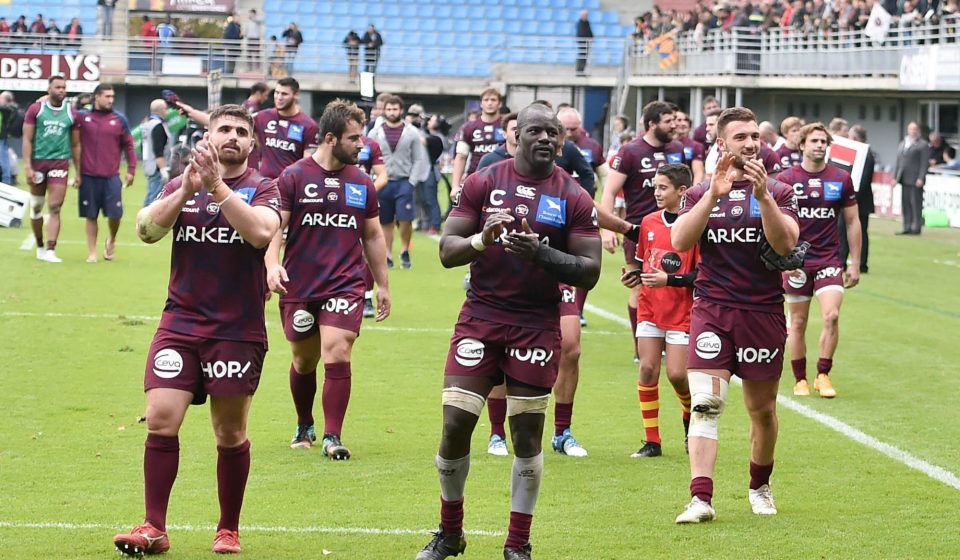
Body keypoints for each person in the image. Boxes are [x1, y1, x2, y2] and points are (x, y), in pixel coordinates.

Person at [415, 103, 601, 560]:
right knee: (456, 424)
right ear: (514, 134)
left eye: (552, 133)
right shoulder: (483, 181)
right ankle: (450, 532)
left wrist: (541, 255)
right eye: (534, 130)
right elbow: (447, 249)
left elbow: (590, 271)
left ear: (561, 141)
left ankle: (518, 543)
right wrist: (483, 240)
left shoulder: (574, 196)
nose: (544, 139)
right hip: (481, 315)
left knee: (525, 436)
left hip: (537, 324)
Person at [114, 104, 281, 557]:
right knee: (163, 418)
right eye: (222, 129)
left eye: (240, 131)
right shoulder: (181, 185)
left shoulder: (265, 188)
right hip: (180, 323)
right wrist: (187, 188)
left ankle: (228, 529)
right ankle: (154, 527)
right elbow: (146, 230)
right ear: (207, 138)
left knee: (228, 434)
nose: (231, 136)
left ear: (252, 143)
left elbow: (261, 234)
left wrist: (217, 187)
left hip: (236, 331)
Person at [671, 107, 799, 524]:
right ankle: (700, 498)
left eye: (754, 137)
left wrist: (762, 198)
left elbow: (785, 246)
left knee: (761, 410)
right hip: (712, 310)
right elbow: (679, 241)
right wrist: (712, 194)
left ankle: (759, 485)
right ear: (722, 144)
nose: (749, 144)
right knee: (706, 403)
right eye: (740, 137)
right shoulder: (699, 192)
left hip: (762, 312)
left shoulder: (778, 191)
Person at [266, 99, 391, 459]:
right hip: (300, 285)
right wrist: (273, 264)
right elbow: (275, 227)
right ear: (331, 138)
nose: (362, 145)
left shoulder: (362, 182)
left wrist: (382, 284)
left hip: (346, 284)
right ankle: (304, 424)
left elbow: (372, 236)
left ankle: (332, 436)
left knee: (337, 349)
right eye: (354, 138)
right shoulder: (293, 176)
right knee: (304, 361)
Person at [777, 122, 860, 399]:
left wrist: (855, 262)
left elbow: (852, 222)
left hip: (828, 260)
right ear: (802, 145)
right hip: (797, 262)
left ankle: (823, 374)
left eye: (823, 142)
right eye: (813, 141)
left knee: (832, 315)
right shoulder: (787, 179)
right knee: (797, 324)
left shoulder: (841, 178)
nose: (819, 146)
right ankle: (799, 378)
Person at [600, 101, 688, 361]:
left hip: (676, 229)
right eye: (668, 121)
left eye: (675, 120)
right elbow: (609, 191)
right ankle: (642, 348)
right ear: (652, 124)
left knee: (674, 285)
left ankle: (671, 340)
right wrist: (607, 230)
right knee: (641, 287)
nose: (674, 125)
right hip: (640, 231)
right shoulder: (630, 151)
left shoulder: (678, 150)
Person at [621, 164, 698, 458]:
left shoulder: (694, 225)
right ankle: (652, 441)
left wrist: (671, 280)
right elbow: (645, 266)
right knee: (648, 368)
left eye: (663, 187)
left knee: (678, 375)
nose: (656, 192)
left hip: (682, 313)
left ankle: (690, 418)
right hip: (650, 309)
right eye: (655, 186)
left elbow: (701, 275)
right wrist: (635, 277)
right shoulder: (649, 222)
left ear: (682, 191)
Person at [22, 75, 80, 263]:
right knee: (37, 208)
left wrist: (78, 171)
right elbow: (27, 139)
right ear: (49, 89)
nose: (61, 90)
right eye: (57, 87)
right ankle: (39, 245)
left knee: (55, 207)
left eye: (64, 87)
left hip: (59, 163)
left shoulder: (71, 112)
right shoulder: (36, 109)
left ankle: (50, 250)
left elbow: (76, 144)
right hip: (39, 162)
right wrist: (28, 167)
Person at [368, 94, 430, 270]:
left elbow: (418, 158)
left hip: (404, 181)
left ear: (401, 110)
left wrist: (412, 181)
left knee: (405, 219)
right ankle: (387, 253)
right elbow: (369, 156)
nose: (392, 112)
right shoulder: (375, 132)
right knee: (385, 220)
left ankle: (404, 249)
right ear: (384, 111)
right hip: (383, 181)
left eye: (395, 109)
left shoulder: (411, 132)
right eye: (389, 109)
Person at [77, 84, 136, 263]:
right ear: (97, 97)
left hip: (111, 176)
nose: (111, 100)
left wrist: (131, 169)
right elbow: (62, 114)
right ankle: (92, 252)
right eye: (107, 96)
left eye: (112, 97)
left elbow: (129, 145)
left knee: (115, 215)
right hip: (88, 176)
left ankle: (112, 238)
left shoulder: (120, 119)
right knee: (91, 215)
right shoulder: (82, 117)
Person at [451, 88, 504, 201]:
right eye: (486, 100)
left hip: (503, 179)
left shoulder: (507, 126)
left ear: (500, 104)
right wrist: (455, 186)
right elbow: (461, 157)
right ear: (481, 104)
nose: (489, 103)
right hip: (475, 178)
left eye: (493, 100)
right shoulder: (469, 127)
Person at [839, 124, 874, 273]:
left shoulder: (865, 154)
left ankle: (859, 263)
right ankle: (845, 261)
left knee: (856, 231)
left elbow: (863, 180)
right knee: (846, 230)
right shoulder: (861, 153)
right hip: (856, 199)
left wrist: (850, 198)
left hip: (859, 201)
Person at [894, 121, 930, 235]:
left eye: (914, 129)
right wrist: (895, 177)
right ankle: (907, 226)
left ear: (918, 130)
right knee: (905, 203)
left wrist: (921, 177)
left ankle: (916, 227)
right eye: (910, 129)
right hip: (904, 178)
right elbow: (898, 161)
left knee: (916, 203)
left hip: (915, 178)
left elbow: (924, 163)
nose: (912, 131)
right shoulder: (903, 143)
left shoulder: (923, 145)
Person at [141, 99, 172, 206]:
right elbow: (158, 149)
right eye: (166, 109)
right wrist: (163, 169)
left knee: (151, 195)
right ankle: (145, 221)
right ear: (162, 110)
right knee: (154, 198)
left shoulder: (146, 124)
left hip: (148, 164)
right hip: (157, 166)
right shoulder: (158, 125)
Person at [673, 111, 706, 184]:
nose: (683, 123)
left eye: (686, 120)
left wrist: (694, 193)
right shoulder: (665, 144)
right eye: (679, 120)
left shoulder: (696, 146)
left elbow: (698, 173)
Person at [575, 10, 594, 76]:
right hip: (582, 43)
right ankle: (579, 71)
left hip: (587, 43)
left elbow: (589, 32)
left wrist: (591, 38)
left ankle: (582, 71)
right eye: (585, 15)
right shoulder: (580, 23)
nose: (586, 16)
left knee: (585, 58)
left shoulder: (587, 23)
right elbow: (581, 34)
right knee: (581, 57)